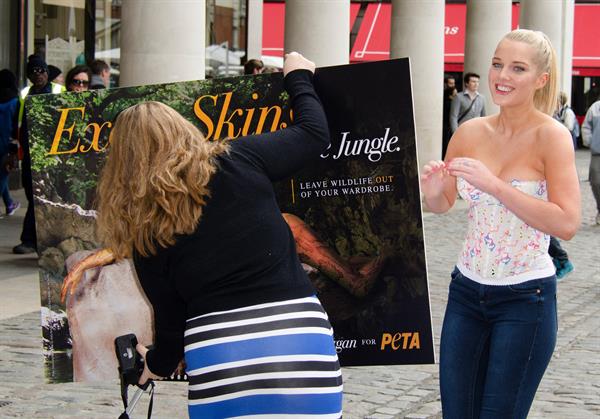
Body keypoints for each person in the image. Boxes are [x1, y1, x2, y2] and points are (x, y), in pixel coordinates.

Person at [94, 52, 342, 418]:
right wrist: (298, 78)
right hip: (301, 347)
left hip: (220, 359)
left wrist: (153, 365)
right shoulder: (240, 159)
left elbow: (171, 323)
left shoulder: (147, 229)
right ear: (182, 129)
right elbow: (314, 133)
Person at [421, 29, 580, 418]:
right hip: (466, 293)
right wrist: (432, 190)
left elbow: (567, 222)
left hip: (526, 299)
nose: (502, 76)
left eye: (517, 68)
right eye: (497, 64)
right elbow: (443, 204)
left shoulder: (552, 137)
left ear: (541, 79)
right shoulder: (469, 132)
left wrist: (494, 185)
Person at [14, 55, 65, 254]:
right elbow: (18, 124)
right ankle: (32, 240)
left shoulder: (58, 91)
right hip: (29, 154)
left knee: (43, 198)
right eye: (34, 71)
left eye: (42, 71)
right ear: (28, 75)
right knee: (34, 197)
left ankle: (33, 240)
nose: (39, 75)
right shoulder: (25, 95)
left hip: (51, 155)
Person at [0, 69, 20, 217]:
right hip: (6, 143)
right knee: (3, 174)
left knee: (3, 175)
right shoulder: (14, 101)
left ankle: (9, 203)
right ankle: (9, 204)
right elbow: (16, 124)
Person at [582, 97, 600, 225]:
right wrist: (590, 142)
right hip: (597, 152)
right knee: (595, 182)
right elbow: (586, 126)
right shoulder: (595, 108)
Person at [443, 75, 458, 158]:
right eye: (450, 83)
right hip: (445, 125)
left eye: (453, 83)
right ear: (445, 84)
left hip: (451, 125)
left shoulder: (456, 99)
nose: (452, 85)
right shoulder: (443, 98)